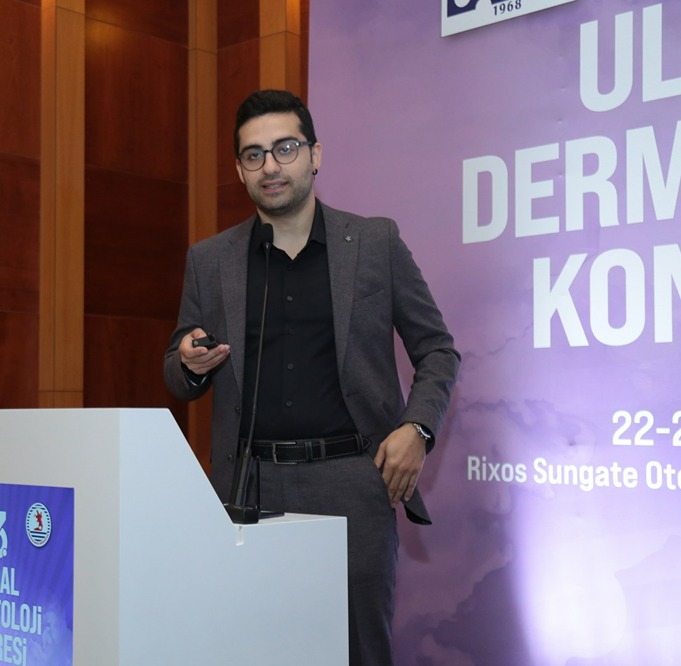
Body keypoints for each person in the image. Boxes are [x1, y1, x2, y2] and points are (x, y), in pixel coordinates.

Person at [163, 89, 460, 666]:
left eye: (286, 148)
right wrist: (188, 363)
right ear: (240, 170)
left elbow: (438, 350)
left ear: (315, 155)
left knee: (359, 652)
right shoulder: (211, 260)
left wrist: (418, 430)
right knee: (253, 653)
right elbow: (178, 370)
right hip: (249, 486)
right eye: (254, 155)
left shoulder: (375, 242)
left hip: (353, 483)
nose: (270, 165)